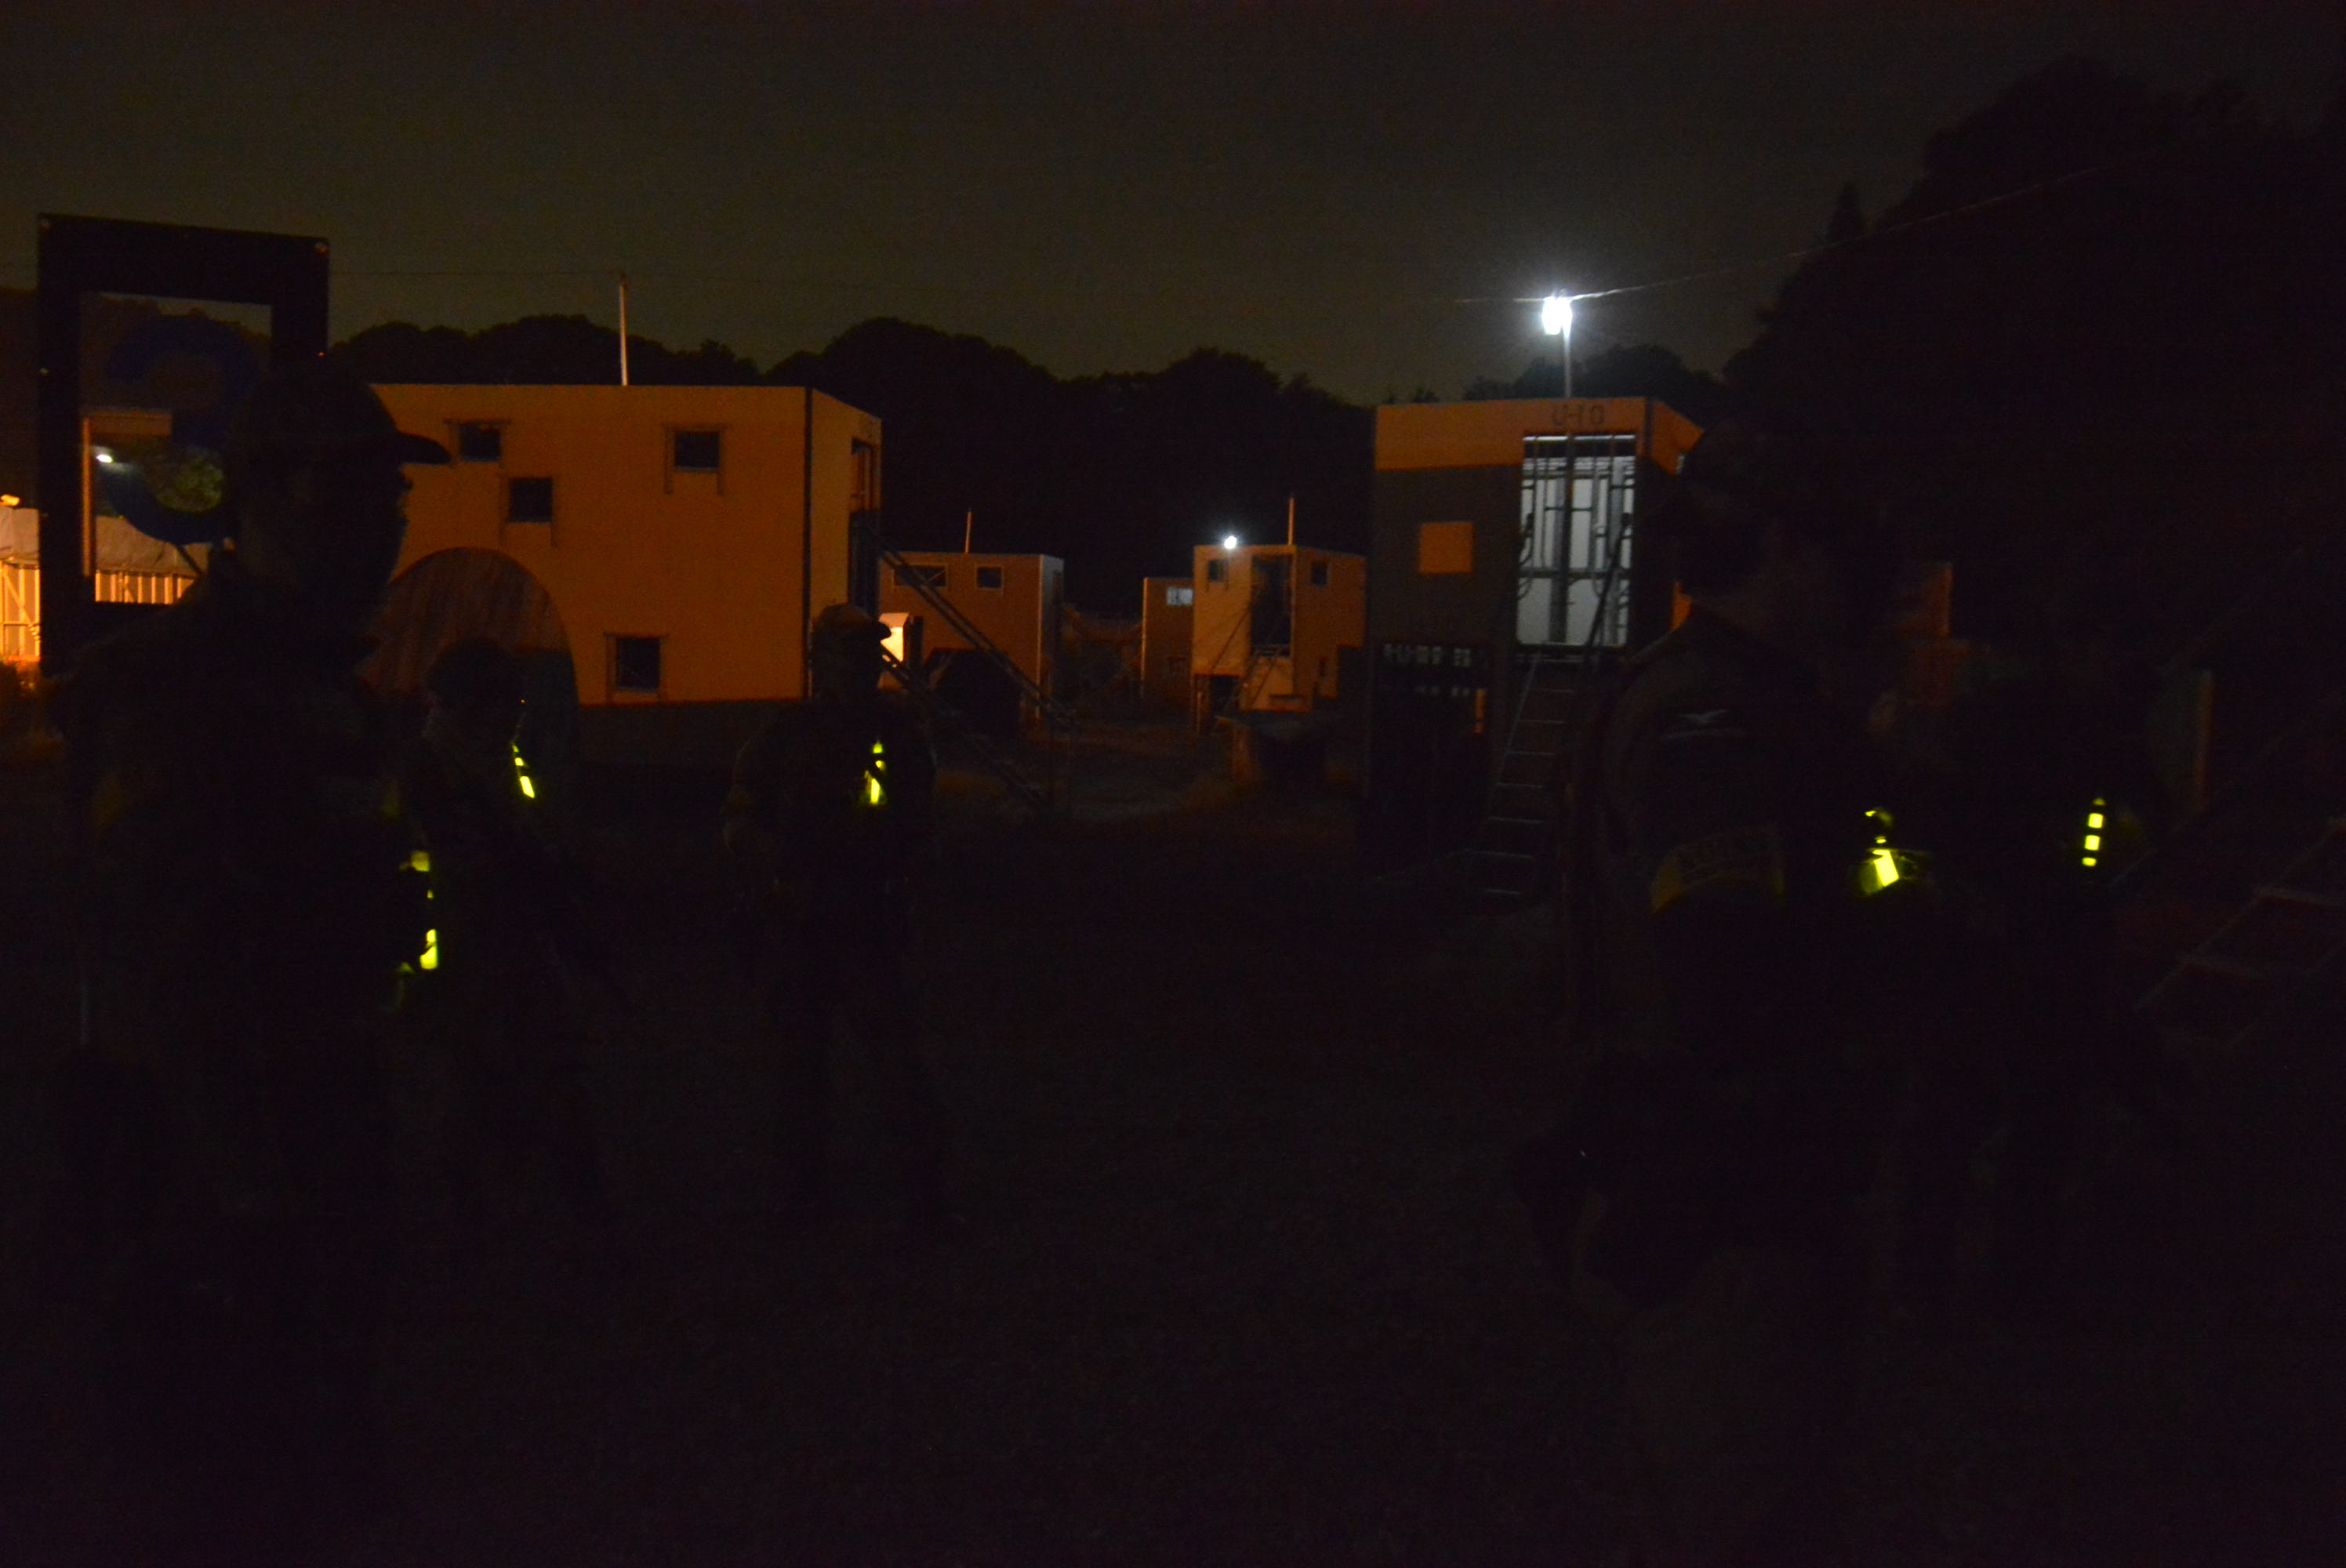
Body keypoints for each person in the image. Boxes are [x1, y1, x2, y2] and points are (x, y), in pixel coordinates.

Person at [53, 360, 445, 1563]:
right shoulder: (181, 686)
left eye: (391, 496)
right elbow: (167, 966)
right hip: (213, 1189)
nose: (383, 524)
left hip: (312, 1149)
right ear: (265, 499)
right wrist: (250, 1196)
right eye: (352, 491)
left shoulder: (330, 693)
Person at [1556, 414, 1912, 1567]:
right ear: (1784, 547)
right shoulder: (1717, 721)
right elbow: (1733, 981)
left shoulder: (1740, 699)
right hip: (1728, 1199)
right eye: (1842, 546)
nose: (1868, 577)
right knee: (1737, 1508)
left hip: (1735, 1183)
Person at [724, 603, 945, 1223]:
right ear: (821, 661)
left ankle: (921, 1191)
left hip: (866, 919)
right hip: (802, 919)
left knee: (894, 1063)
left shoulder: (899, 733)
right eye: (848, 653)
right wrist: (771, 870)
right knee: (802, 1066)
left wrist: (904, 886)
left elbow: (919, 827)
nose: (861, 666)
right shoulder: (786, 734)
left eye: (867, 653)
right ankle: (804, 1192)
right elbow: (741, 819)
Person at [402, 637, 612, 1249]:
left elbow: (535, 834)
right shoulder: (429, 772)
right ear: (467, 705)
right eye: (502, 701)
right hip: (462, 951)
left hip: (516, 940)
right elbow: (428, 868)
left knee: (540, 1074)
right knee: (483, 1084)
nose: (514, 714)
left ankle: (551, 1209)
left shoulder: (497, 762)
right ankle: (484, 1216)